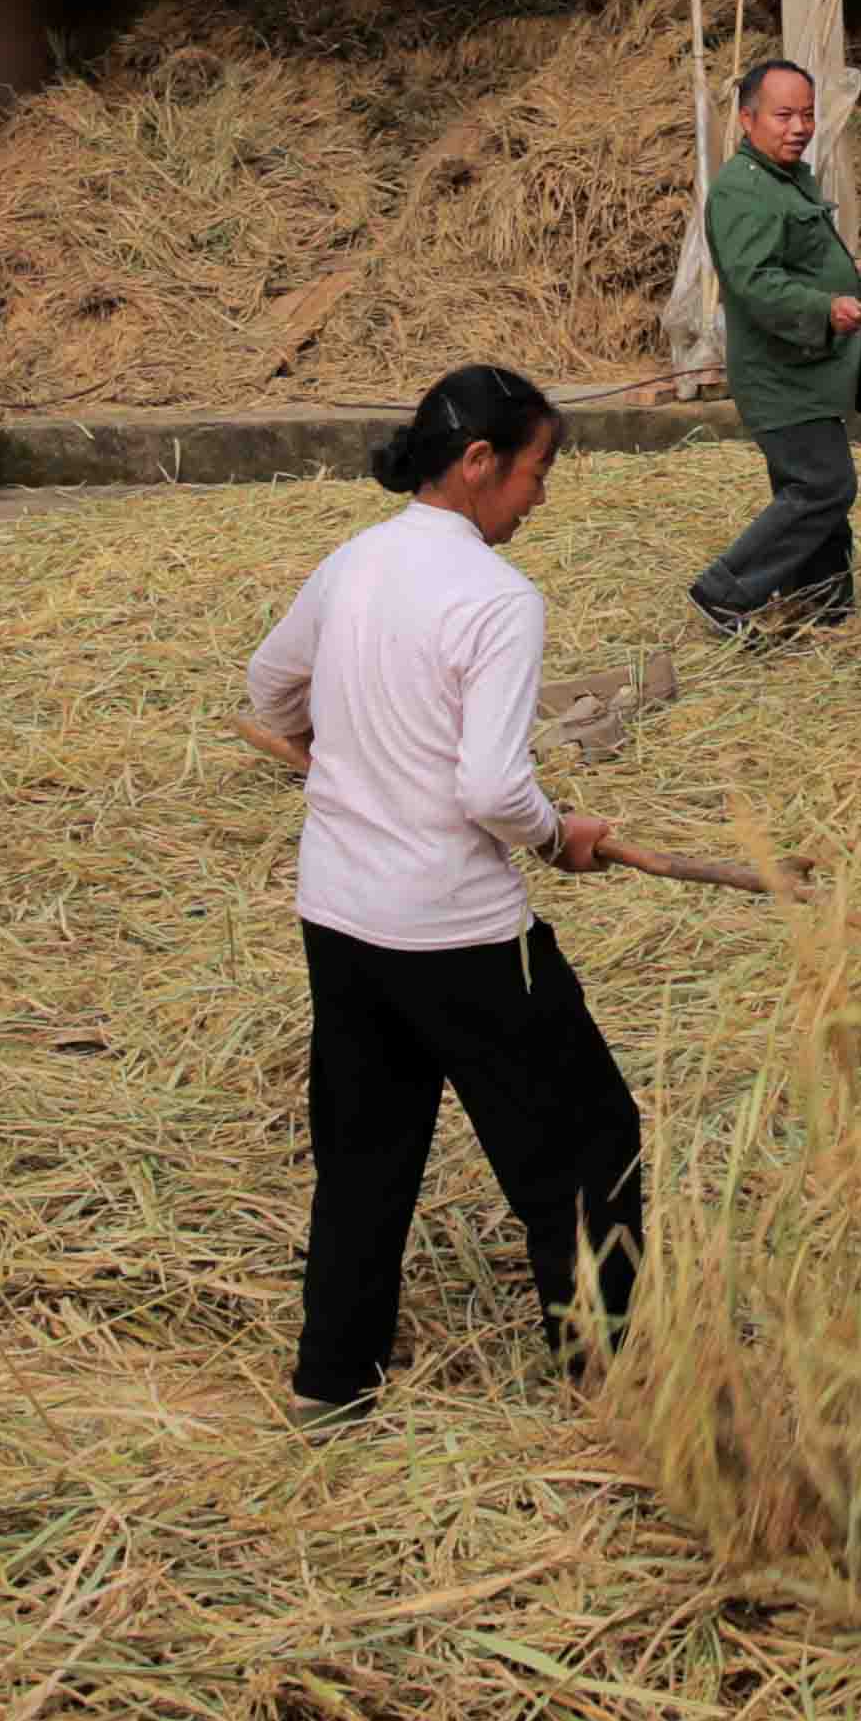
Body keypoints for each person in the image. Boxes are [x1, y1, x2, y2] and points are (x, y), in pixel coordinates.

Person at [246, 364, 646, 1416]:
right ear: (479, 464)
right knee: (586, 1147)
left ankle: (333, 1381)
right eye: (537, 471)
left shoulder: (353, 563)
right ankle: (614, 1381)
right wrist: (559, 838)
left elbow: (268, 688)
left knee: (366, 1154)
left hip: (338, 915)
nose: (541, 496)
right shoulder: (498, 598)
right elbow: (489, 787)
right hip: (458, 933)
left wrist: (351, 757)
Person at [690, 57, 861, 637]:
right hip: (782, 375)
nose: (798, 127)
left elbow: (794, 258)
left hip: (809, 370)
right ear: (747, 119)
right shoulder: (741, 191)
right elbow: (756, 282)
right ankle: (723, 593)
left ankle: (824, 604)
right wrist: (824, 308)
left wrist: (850, 272)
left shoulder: (786, 177)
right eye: (783, 115)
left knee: (811, 488)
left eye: (806, 114)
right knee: (823, 486)